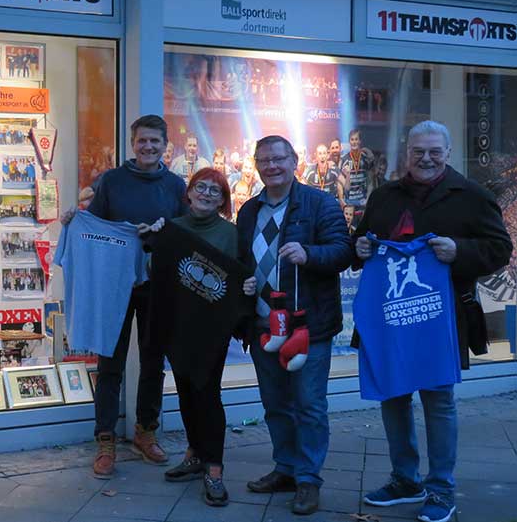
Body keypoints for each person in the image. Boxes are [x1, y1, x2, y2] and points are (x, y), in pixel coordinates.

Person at [354, 120, 512, 522]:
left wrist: (459, 250)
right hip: (391, 318)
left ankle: (441, 488)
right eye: (418, 151)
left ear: (448, 152)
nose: (426, 158)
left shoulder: (472, 196)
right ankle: (404, 480)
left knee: (438, 400)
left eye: (434, 152)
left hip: (443, 317)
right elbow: (362, 240)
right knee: (393, 396)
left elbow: (500, 249)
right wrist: (359, 248)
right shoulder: (384, 196)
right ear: (407, 153)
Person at [62, 114, 187, 479]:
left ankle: (146, 432)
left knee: (153, 361)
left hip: (156, 284)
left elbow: (185, 231)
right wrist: (74, 219)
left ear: (165, 145)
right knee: (109, 362)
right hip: (114, 285)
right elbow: (95, 226)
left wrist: (163, 231)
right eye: (142, 141)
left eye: (154, 141)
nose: (148, 146)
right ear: (132, 144)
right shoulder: (112, 181)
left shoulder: (175, 185)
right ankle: (105, 439)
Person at [236, 135, 353, 515]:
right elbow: (242, 259)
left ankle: (308, 479)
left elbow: (344, 252)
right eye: (264, 160)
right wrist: (243, 282)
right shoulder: (249, 210)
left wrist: (309, 253)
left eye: (278, 159)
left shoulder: (320, 203)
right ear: (256, 165)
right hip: (264, 324)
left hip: (308, 326)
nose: (271, 166)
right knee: (275, 404)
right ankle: (285, 468)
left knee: (309, 406)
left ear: (294, 161)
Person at [147, 168, 258, 506]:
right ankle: (195, 453)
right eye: (201, 187)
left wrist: (247, 287)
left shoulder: (231, 234)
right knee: (185, 392)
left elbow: (245, 274)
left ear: (223, 200)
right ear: (190, 192)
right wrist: (154, 237)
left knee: (207, 394)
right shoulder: (173, 228)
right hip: (178, 324)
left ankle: (214, 468)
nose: (207, 194)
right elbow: (156, 272)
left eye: (215, 190)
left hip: (212, 329)